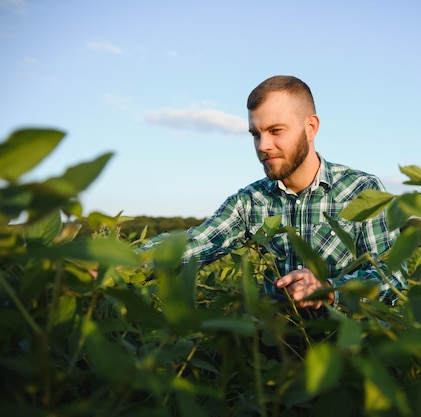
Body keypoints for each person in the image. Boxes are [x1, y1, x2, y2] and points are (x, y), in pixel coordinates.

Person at [139, 75, 405, 310]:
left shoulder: (362, 190)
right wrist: (123, 262)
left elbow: (392, 276)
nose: (263, 146)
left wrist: (330, 289)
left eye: (275, 131)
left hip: (349, 344)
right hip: (276, 342)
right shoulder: (250, 201)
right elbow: (198, 242)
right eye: (256, 134)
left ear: (310, 127)